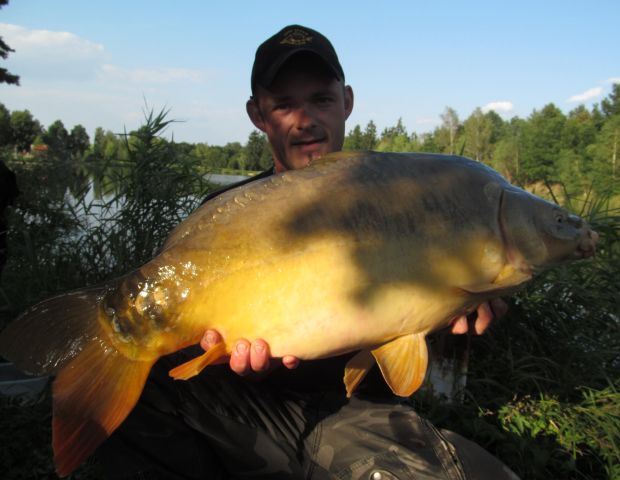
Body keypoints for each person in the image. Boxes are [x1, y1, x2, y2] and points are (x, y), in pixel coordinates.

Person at [97, 25, 517, 480]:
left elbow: (421, 322)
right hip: (248, 407)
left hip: (355, 412)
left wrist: (468, 309)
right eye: (283, 104)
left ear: (347, 102)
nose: (305, 120)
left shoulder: (401, 198)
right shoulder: (225, 218)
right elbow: (202, 343)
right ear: (257, 114)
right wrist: (228, 362)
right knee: (128, 397)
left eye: (321, 99)